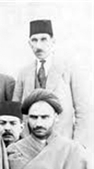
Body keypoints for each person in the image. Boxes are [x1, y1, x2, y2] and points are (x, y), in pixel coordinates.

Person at [13, 19, 92, 148]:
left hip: (62, 144)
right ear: (29, 43)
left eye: (43, 39)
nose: (39, 45)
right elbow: (16, 111)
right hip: (31, 145)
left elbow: (83, 111)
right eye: (34, 40)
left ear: (53, 41)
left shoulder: (69, 69)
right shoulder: (24, 73)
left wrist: (77, 145)